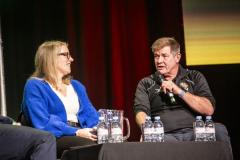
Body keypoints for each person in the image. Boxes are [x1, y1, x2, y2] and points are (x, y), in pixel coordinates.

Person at [133, 37, 232, 150]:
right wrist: (147, 130)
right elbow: (140, 112)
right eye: (156, 56)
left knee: (219, 130)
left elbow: (208, 109)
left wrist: (179, 91)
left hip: (196, 133)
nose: (159, 61)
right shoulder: (146, 83)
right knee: (149, 140)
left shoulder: (194, 77)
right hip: (164, 135)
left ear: (177, 57)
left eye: (164, 56)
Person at [21, 41, 99, 158]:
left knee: (114, 144)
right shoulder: (35, 86)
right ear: (50, 58)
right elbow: (43, 123)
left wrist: (98, 129)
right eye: (66, 55)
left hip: (82, 132)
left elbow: (91, 114)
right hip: (56, 137)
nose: (71, 59)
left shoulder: (76, 86)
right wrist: (76, 132)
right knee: (90, 147)